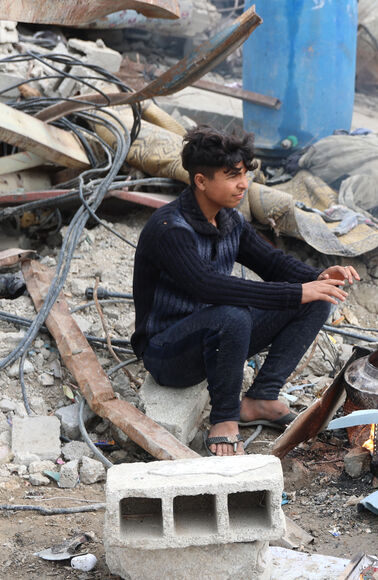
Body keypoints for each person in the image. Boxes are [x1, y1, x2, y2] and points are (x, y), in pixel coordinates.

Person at [131, 126, 360, 456]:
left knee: (315, 301)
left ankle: (261, 398)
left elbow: (272, 263)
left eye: (244, 175)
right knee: (233, 313)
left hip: (219, 335)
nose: (243, 185)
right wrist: (295, 292)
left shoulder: (229, 221)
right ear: (201, 181)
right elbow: (208, 286)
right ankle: (224, 419)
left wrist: (319, 277)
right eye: (232, 176)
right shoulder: (169, 229)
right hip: (169, 352)